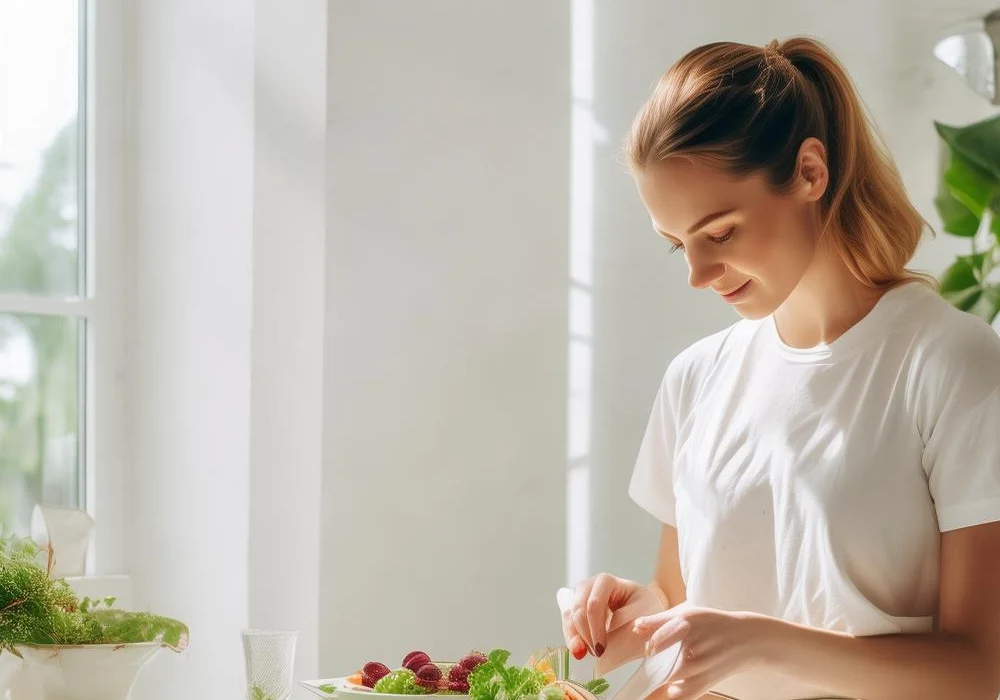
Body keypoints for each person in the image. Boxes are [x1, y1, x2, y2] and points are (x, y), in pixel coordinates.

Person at [559, 37, 1000, 700]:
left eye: (721, 232)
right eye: (677, 244)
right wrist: (638, 613)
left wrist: (764, 645)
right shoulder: (697, 378)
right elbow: (686, 598)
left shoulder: (951, 366)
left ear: (810, 173)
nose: (698, 274)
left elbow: (980, 669)